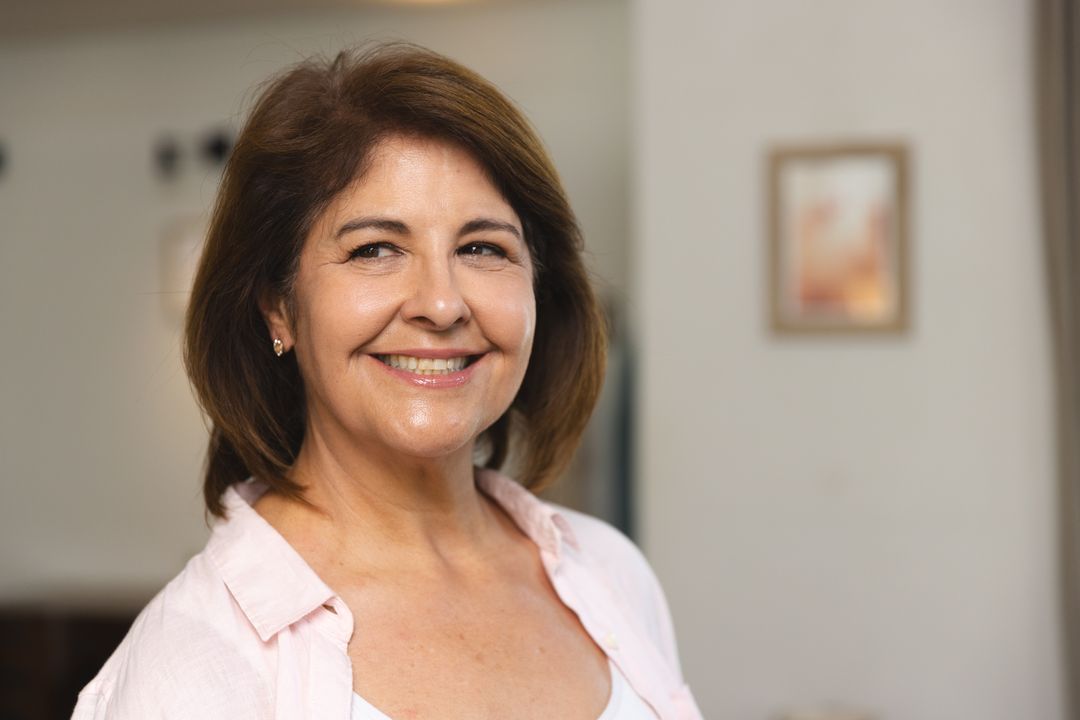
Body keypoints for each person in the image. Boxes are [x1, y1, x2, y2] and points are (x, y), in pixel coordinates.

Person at [73, 44, 703, 720]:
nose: (441, 303)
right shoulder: (190, 667)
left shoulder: (612, 575)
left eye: (482, 248)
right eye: (375, 249)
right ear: (279, 305)